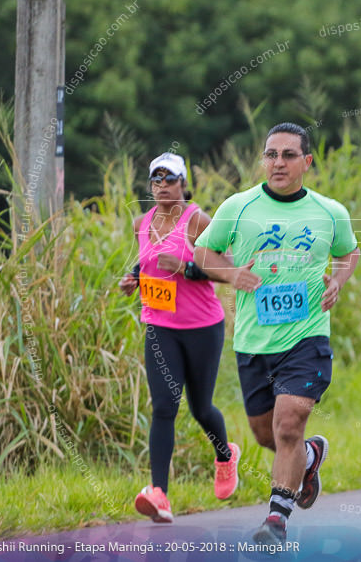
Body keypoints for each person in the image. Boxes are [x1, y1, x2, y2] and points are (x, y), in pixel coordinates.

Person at [193, 123, 359, 545]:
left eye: (288, 155)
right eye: (271, 154)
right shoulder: (239, 207)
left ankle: (276, 521)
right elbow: (202, 252)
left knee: (289, 424)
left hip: (307, 339)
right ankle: (309, 456)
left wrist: (339, 280)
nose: (278, 162)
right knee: (267, 435)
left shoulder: (329, 212)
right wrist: (232, 274)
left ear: (307, 161)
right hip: (253, 343)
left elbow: (349, 250)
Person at [119, 152, 239, 523]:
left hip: (202, 327)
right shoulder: (142, 223)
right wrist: (134, 278)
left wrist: (188, 268)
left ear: (183, 183)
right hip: (159, 325)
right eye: (156, 179)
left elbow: (227, 269)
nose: (162, 186)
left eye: (169, 179)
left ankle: (225, 455)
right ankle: (159, 495)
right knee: (163, 406)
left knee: (201, 408)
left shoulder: (198, 221)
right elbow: (146, 261)